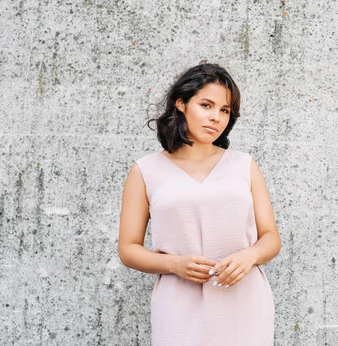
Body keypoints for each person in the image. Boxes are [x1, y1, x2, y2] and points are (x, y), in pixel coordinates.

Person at [117, 63, 281, 346]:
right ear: (181, 103)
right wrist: (174, 264)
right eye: (206, 105)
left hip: (245, 300)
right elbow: (128, 249)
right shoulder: (145, 170)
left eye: (224, 110)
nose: (216, 117)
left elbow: (271, 237)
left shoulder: (245, 165)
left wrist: (249, 256)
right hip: (178, 303)